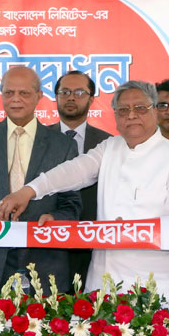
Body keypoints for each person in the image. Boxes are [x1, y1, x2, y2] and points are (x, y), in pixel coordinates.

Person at [0, 80, 169, 302]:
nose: (131, 115)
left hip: (157, 285)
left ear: (155, 112)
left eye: (140, 108)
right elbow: (74, 170)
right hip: (103, 281)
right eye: (123, 110)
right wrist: (29, 191)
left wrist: (132, 232)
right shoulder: (110, 146)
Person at [0, 66, 81, 292]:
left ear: (39, 96)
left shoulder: (64, 145)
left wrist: (54, 218)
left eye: (24, 93)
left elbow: (72, 203)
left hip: (45, 260)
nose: (16, 99)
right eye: (9, 93)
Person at [48, 70, 111, 286]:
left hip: (94, 243)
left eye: (79, 92)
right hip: (47, 240)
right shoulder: (39, 139)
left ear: (91, 99)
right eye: (64, 92)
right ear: (56, 97)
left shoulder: (109, 143)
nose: (71, 97)